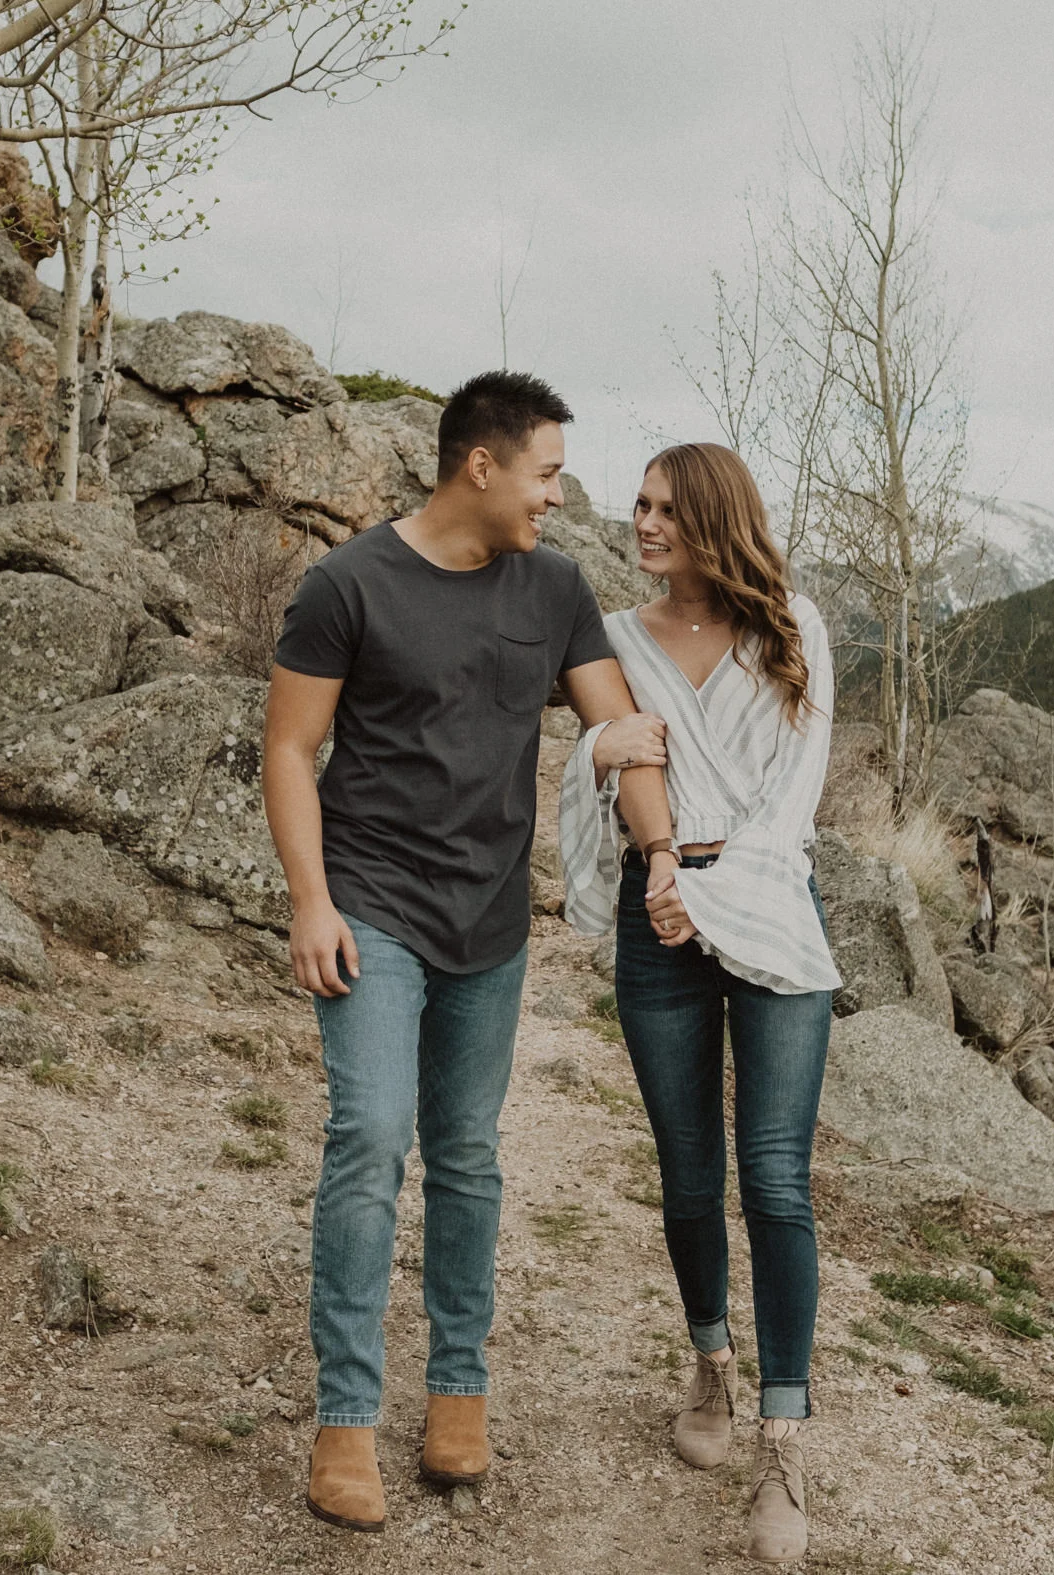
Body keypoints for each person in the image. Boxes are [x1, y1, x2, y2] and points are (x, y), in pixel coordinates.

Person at [264, 371, 678, 1534]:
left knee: (468, 1157)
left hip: (490, 924)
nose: (560, 495)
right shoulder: (347, 584)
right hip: (373, 906)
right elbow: (292, 751)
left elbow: (619, 727)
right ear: (480, 465)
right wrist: (310, 900)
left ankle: (458, 1390)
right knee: (369, 1139)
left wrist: (659, 853)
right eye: (547, 472)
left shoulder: (551, 588)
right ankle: (346, 1417)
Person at [560, 441, 839, 1567]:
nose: (643, 521)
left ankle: (783, 1436)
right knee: (687, 1172)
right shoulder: (619, 639)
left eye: (666, 507)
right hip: (657, 907)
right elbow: (620, 753)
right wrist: (649, 840)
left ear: (717, 517)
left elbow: (794, 793)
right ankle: (710, 1365)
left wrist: (711, 890)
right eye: (637, 504)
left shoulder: (794, 630)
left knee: (773, 1175)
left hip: (766, 902)